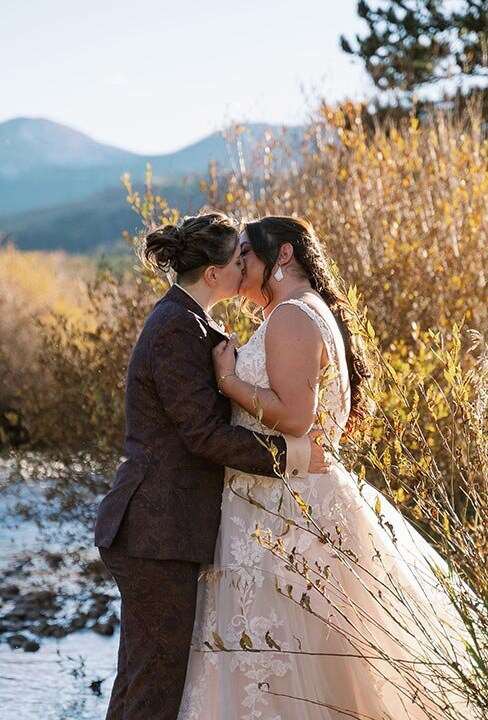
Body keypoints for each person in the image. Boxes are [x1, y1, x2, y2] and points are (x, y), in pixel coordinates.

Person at [178, 216, 476, 720]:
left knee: (293, 664)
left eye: (248, 251)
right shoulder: (294, 313)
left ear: (285, 255)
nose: (239, 262)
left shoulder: (293, 315)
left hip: (285, 513)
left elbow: (295, 416)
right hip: (279, 504)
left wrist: (228, 381)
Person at [93, 212, 331, 720]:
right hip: (155, 530)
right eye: (238, 259)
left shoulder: (195, 324)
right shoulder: (176, 329)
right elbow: (201, 435)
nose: (245, 267)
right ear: (214, 275)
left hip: (170, 532)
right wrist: (291, 456)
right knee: (151, 688)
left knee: (147, 680)